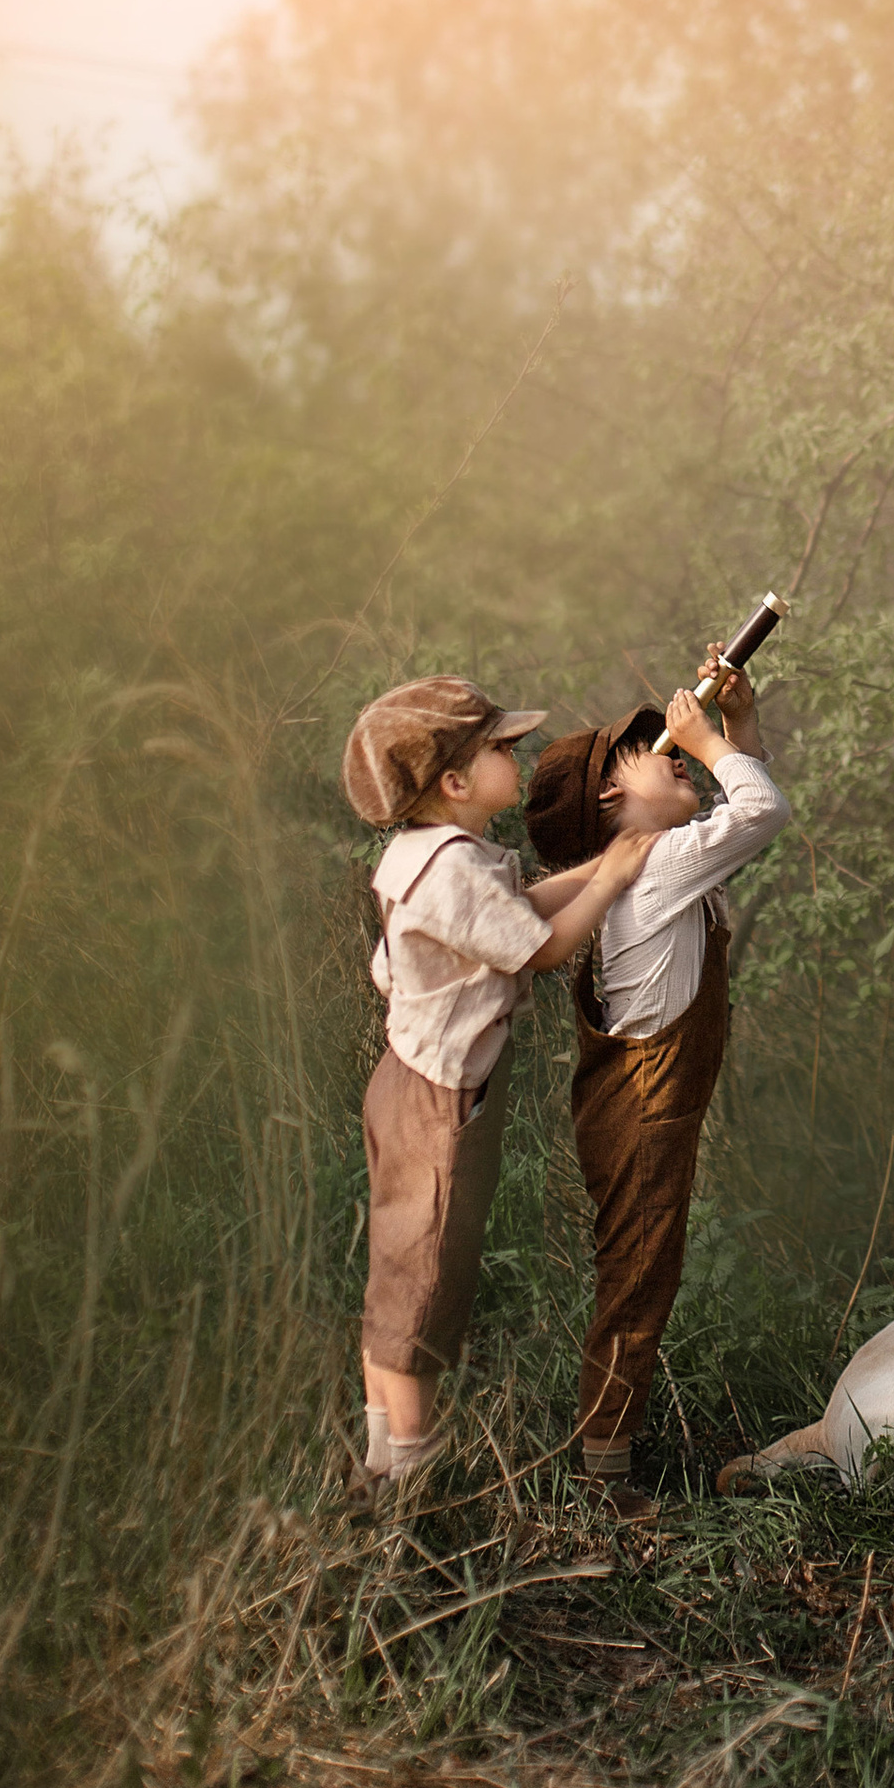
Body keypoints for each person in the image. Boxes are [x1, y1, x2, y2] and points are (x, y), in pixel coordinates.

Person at [341, 676, 657, 1501]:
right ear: (453, 783)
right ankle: (405, 1482)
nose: (513, 756)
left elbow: (516, 908)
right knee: (421, 1281)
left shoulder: (440, 856)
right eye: (499, 748)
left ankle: (383, 1458)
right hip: (436, 1104)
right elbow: (543, 948)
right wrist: (611, 878)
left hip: (416, 1086)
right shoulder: (446, 872)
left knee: (404, 1271)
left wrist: (609, 866)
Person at [523, 646, 792, 1518]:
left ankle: (607, 1451)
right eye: (655, 753)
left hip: (640, 1109)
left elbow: (743, 803)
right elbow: (760, 807)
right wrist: (716, 744)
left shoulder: (657, 864)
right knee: (638, 1276)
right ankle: (603, 1479)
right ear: (611, 797)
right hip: (643, 1110)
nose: (676, 755)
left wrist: (736, 730)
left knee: (643, 1270)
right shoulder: (659, 868)